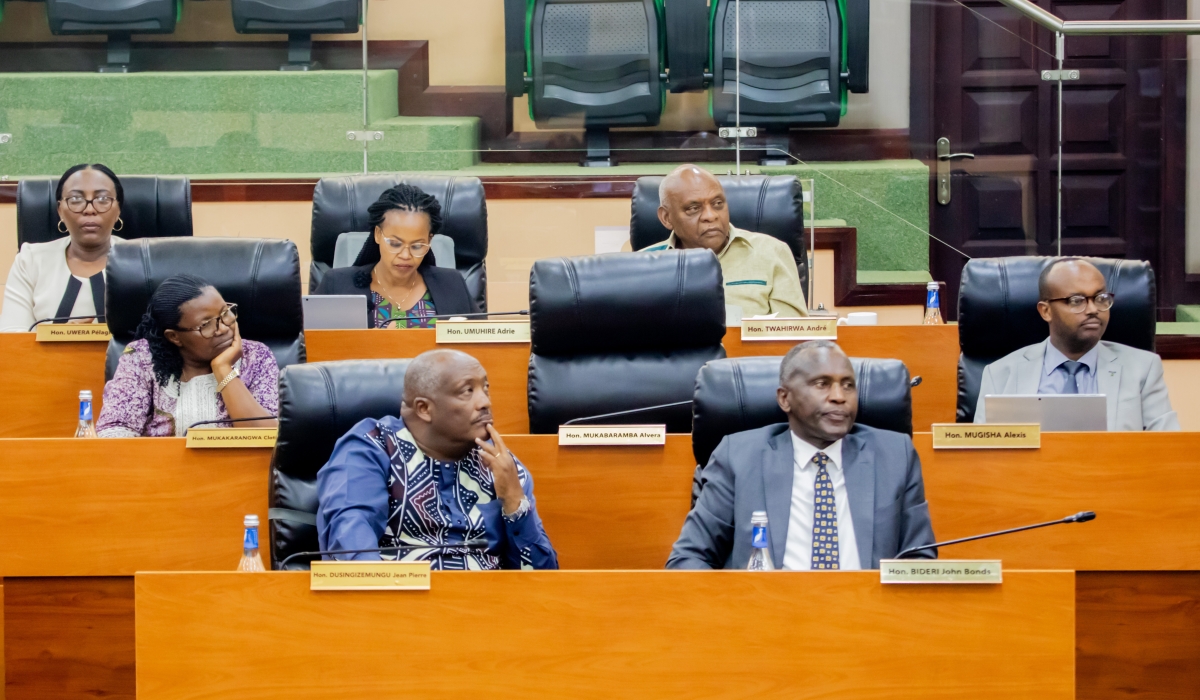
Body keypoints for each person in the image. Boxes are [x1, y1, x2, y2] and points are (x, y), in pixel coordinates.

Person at [667, 340, 935, 570]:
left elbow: (919, 560)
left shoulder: (895, 455)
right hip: (764, 616)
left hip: (867, 617)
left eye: (848, 385)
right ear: (785, 399)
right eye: (822, 384)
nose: (839, 397)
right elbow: (688, 558)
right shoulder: (738, 456)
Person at [317, 349, 557, 569]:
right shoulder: (373, 447)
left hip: (490, 606)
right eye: (467, 391)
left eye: (485, 388)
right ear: (424, 409)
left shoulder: (501, 465)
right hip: (399, 604)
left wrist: (515, 500)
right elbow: (351, 550)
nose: (485, 402)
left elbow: (543, 578)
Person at [974, 257, 1179, 431]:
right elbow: (981, 457)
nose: (1093, 309)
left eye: (1100, 298)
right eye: (1077, 301)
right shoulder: (1000, 374)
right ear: (1046, 311)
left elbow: (1167, 449)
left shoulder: (1143, 369)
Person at [96, 274, 279, 437]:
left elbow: (269, 437)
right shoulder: (142, 358)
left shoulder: (256, 356)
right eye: (206, 325)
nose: (223, 328)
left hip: (240, 473)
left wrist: (223, 370)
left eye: (225, 313)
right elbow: (114, 430)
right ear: (174, 337)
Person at [640, 164, 808, 317]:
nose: (710, 216)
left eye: (718, 203)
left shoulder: (772, 252)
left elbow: (792, 335)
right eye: (693, 208)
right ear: (667, 218)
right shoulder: (641, 265)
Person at [313, 184, 478, 328]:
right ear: (378, 235)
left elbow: (482, 347)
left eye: (417, 246)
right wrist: (368, 345)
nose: (405, 255)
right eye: (395, 244)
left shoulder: (452, 285)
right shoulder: (337, 286)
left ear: (429, 240)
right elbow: (315, 352)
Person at [0, 164, 125, 332]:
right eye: (76, 200)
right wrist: (59, 338)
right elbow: (13, 338)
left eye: (102, 199)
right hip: (44, 359)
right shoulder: (30, 260)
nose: (89, 210)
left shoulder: (143, 260)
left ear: (118, 210)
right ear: (60, 210)